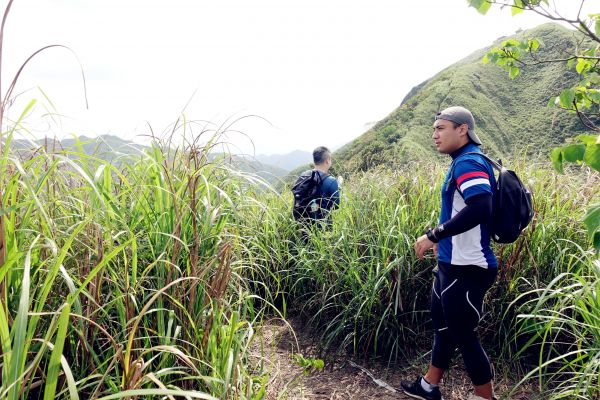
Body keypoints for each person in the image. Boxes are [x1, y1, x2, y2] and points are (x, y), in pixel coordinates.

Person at [402, 106, 498, 400]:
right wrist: (442, 245)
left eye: (441, 128)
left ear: (462, 130)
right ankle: (429, 387)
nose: (434, 135)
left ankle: (485, 398)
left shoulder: (469, 163)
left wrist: (434, 235)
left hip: (468, 267)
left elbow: (481, 206)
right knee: (444, 326)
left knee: (464, 336)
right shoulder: (461, 162)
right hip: (450, 264)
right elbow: (460, 211)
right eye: (434, 129)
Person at [294, 146, 340, 230]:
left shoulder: (304, 175)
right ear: (327, 160)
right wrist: (338, 187)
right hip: (323, 227)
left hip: (304, 225)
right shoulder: (332, 181)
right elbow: (336, 205)